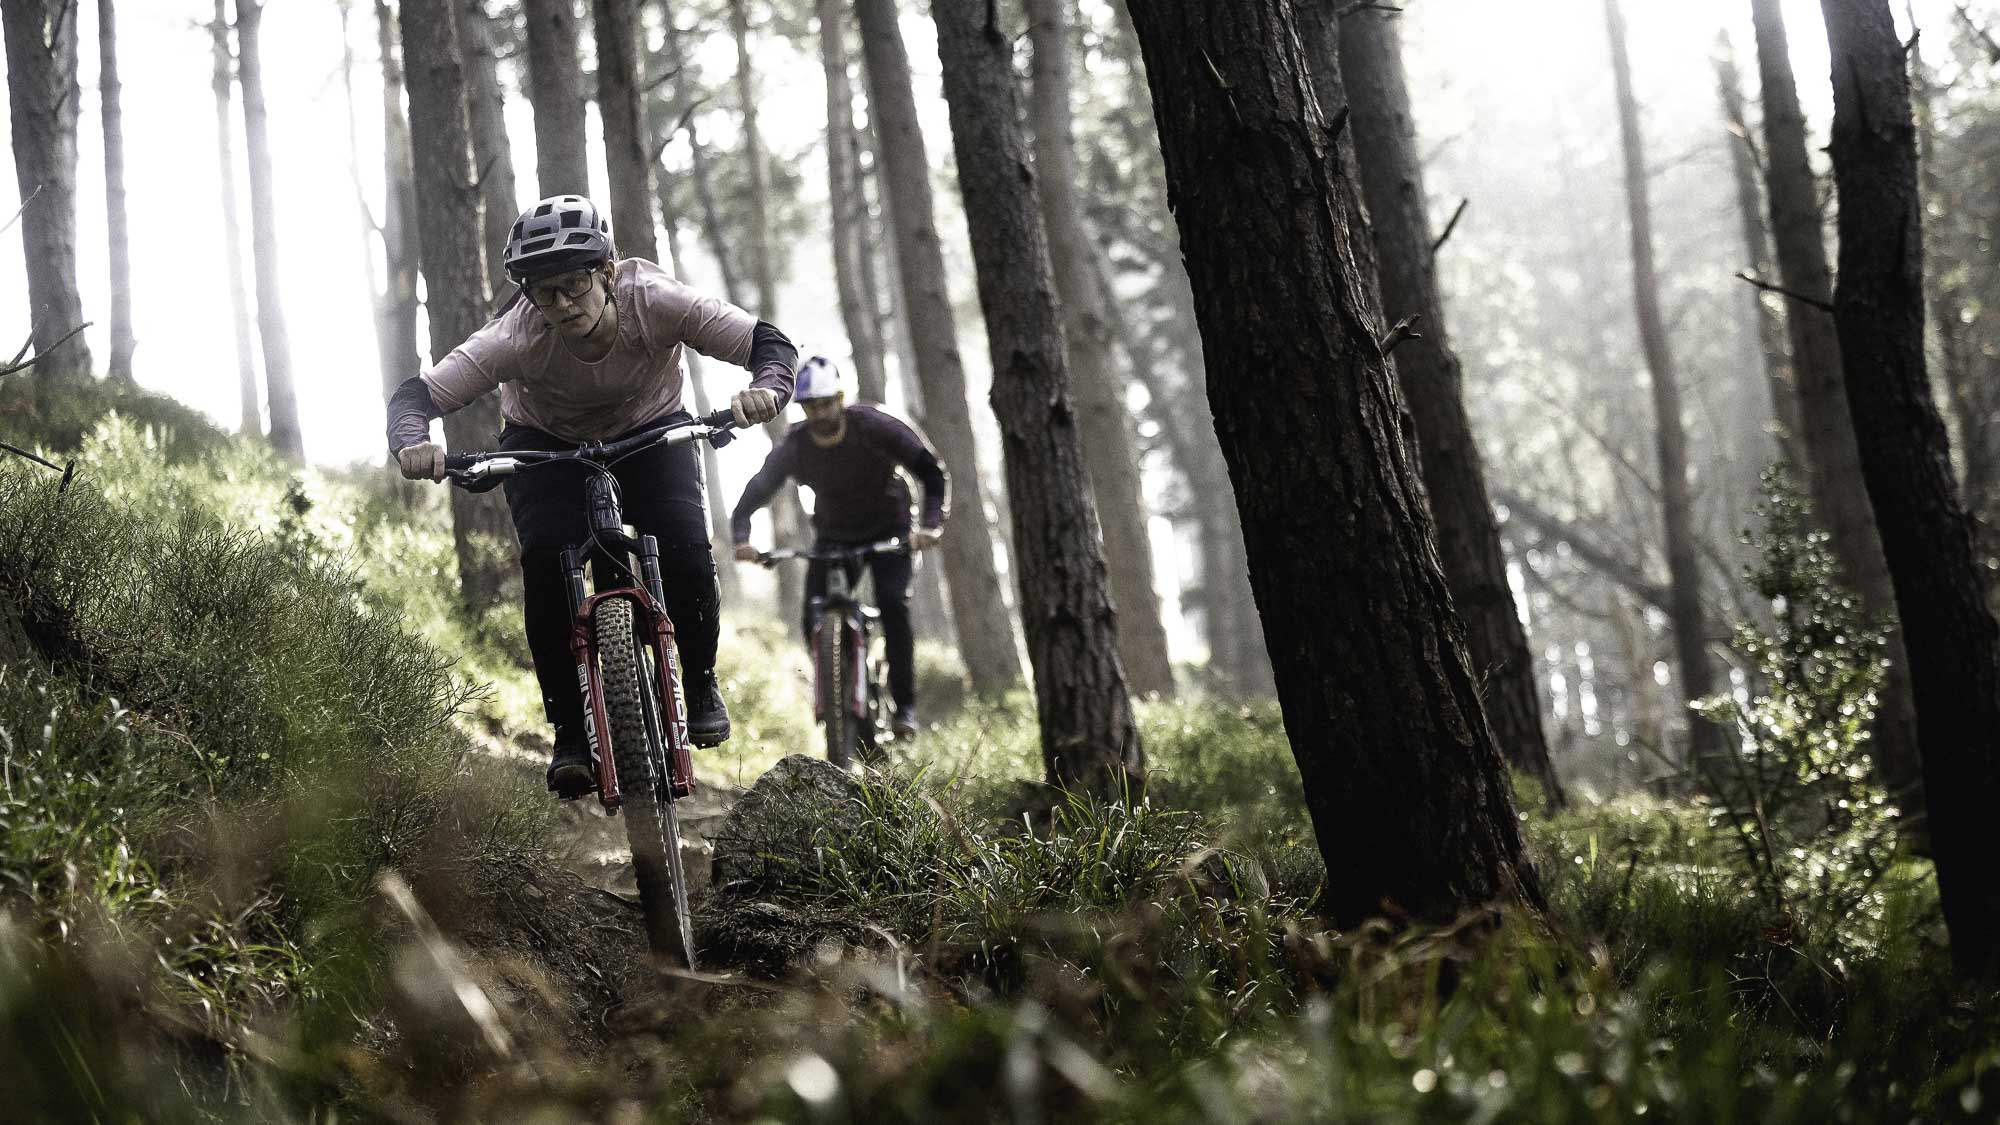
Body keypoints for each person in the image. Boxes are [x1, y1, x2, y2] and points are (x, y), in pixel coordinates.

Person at [386, 194, 793, 799]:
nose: (561, 304)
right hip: (546, 443)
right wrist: (413, 442)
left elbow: (766, 342)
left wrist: (768, 388)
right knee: (547, 563)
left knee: (684, 547)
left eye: (574, 284)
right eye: (543, 292)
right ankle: (570, 731)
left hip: (652, 430)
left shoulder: (654, 300)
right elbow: (417, 396)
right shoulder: (515, 335)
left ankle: (699, 679)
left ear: (607, 271)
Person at [731, 357, 946, 738]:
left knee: (893, 604)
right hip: (834, 534)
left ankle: (905, 707)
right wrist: (742, 537)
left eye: (826, 403)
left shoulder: (875, 426)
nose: (819, 413)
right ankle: (837, 688)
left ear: (841, 399)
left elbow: (930, 470)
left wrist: (929, 526)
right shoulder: (796, 445)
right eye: (811, 406)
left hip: (890, 528)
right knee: (811, 615)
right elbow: (758, 489)